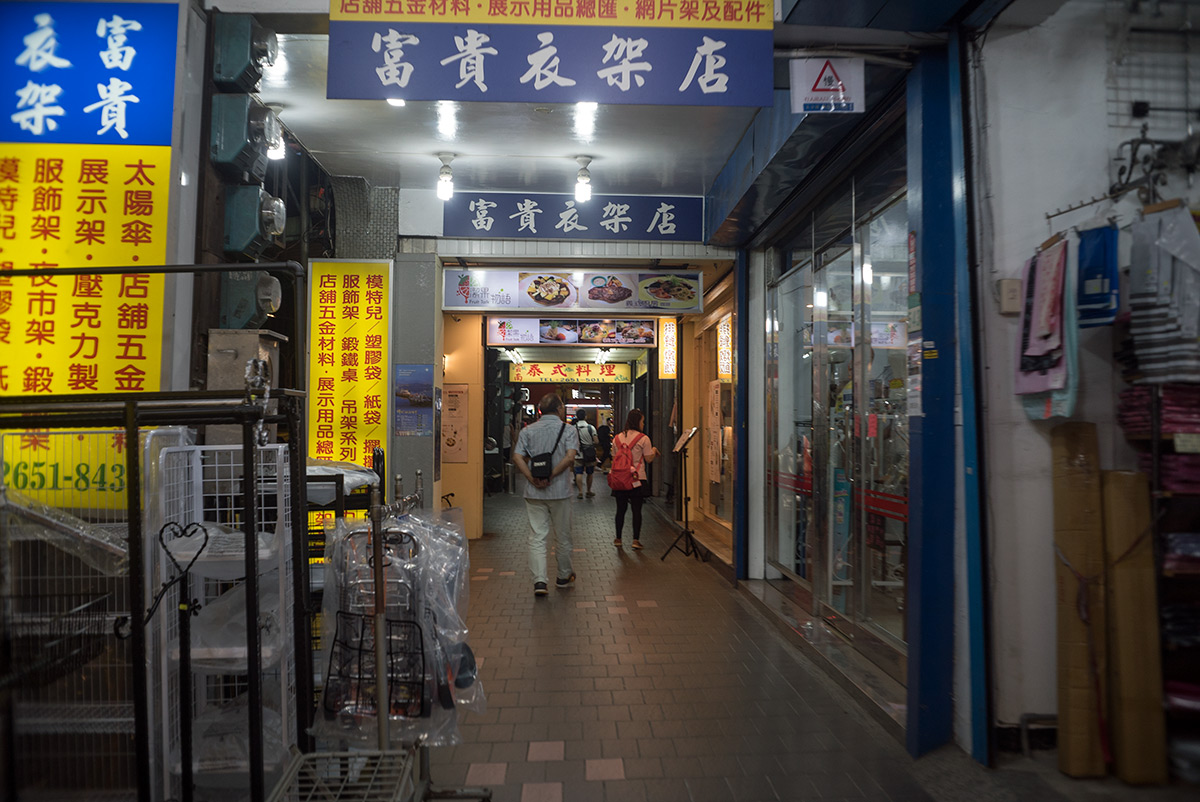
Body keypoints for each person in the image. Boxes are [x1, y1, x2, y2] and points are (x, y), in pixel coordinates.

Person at [511, 394, 579, 596]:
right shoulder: (568, 430)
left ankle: (540, 581)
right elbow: (570, 457)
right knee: (563, 536)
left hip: (534, 493)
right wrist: (552, 474)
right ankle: (563, 575)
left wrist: (531, 477)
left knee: (537, 537)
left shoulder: (527, 430)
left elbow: (517, 456)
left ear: (540, 410)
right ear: (559, 409)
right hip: (560, 491)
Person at [611, 408, 659, 550]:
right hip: (637, 479)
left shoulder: (617, 438)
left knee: (620, 509)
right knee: (636, 510)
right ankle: (635, 540)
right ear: (638, 422)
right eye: (642, 421)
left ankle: (618, 538)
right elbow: (649, 458)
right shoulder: (643, 438)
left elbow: (614, 458)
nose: (643, 424)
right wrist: (655, 450)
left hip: (620, 479)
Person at [572, 411, 599, 499]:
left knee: (579, 472)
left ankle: (580, 492)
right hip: (589, 454)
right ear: (585, 417)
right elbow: (596, 441)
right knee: (590, 473)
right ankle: (588, 491)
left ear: (576, 417)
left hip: (578, 454)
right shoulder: (591, 428)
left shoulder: (573, 428)